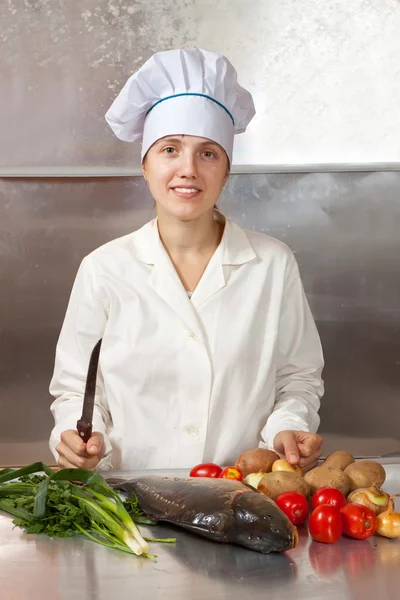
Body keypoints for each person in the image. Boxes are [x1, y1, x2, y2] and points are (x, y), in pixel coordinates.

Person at [49, 48, 324, 473]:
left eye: (208, 153)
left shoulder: (272, 264)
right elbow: (76, 391)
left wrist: (288, 425)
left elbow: (298, 379)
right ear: (145, 165)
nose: (188, 169)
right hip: (130, 498)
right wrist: (73, 435)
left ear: (227, 170)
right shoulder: (104, 269)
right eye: (170, 150)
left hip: (240, 493)